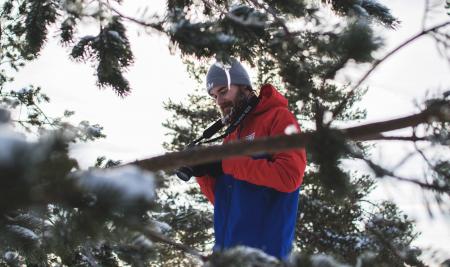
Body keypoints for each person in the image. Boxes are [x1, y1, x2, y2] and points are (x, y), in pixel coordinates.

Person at [188, 59, 306, 260]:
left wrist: (226, 163)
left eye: (223, 91)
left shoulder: (278, 117)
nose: (219, 101)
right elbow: (225, 202)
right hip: (226, 257)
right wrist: (203, 173)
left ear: (244, 87)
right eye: (214, 96)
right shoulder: (231, 136)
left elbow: (289, 177)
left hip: (264, 256)